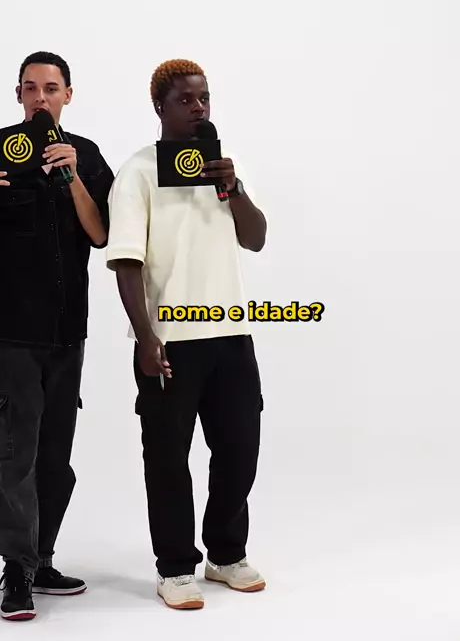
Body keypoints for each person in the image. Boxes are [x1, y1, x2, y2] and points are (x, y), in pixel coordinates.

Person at [106, 59, 267, 610]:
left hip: (231, 334)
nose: (198, 107)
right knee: (168, 459)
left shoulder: (223, 166)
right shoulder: (138, 172)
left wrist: (233, 187)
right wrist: (146, 337)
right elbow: (126, 261)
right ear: (160, 106)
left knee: (240, 449)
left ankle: (225, 554)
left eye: (204, 98)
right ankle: (175, 567)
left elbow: (256, 238)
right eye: (185, 99)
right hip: (170, 340)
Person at [0, 51, 114, 621]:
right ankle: (16, 572)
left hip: (69, 333)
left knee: (55, 458)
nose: (39, 97)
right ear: (18, 94)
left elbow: (101, 235)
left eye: (50, 88)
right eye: (30, 88)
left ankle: (42, 558)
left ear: (68, 94)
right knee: (14, 457)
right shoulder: (0, 150)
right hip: (13, 334)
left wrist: (73, 180)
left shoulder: (86, 155)